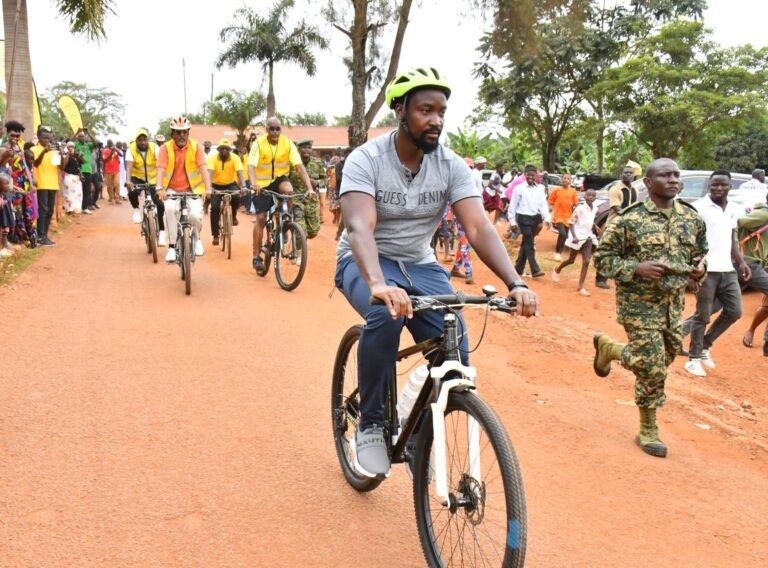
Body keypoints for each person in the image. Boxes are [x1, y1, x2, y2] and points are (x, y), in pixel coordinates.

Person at [334, 66, 540, 478]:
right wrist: (378, 284)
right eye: (425, 110)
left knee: (455, 352)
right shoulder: (367, 159)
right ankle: (372, 423)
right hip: (366, 260)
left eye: (442, 111)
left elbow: (478, 226)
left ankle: (416, 432)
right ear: (400, 110)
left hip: (421, 264)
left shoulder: (450, 166)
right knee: (386, 314)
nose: (436, 120)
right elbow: (360, 227)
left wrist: (515, 282)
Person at [592, 158, 707, 458]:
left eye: (676, 175)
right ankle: (648, 428)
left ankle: (610, 350)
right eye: (665, 175)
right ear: (649, 183)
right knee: (653, 366)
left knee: (663, 357)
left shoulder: (691, 218)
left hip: (673, 305)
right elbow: (602, 259)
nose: (673, 180)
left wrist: (699, 269)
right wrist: (637, 267)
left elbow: (700, 253)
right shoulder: (629, 220)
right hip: (638, 305)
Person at [684, 171, 750, 377]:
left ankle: (705, 345)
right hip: (705, 270)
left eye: (723, 185)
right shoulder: (699, 208)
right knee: (702, 315)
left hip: (727, 270)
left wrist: (741, 262)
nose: (718, 188)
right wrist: (689, 273)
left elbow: (731, 239)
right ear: (709, 186)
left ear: (730, 186)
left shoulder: (732, 209)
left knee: (735, 311)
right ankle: (693, 359)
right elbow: (687, 241)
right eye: (714, 185)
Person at [247, 117, 314, 270]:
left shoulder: (287, 143)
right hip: (261, 183)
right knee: (262, 218)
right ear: (266, 129)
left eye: (278, 129)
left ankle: (285, 221)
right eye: (272, 129)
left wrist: (309, 187)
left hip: (279, 179)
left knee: (288, 191)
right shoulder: (258, 144)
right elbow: (251, 166)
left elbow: (299, 166)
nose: (275, 132)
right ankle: (256, 256)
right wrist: (253, 183)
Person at [154, 117, 212, 262]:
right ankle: (172, 247)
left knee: (194, 215)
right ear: (172, 134)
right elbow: (160, 170)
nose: (181, 136)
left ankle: (197, 239)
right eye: (178, 133)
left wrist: (208, 189)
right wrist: (160, 188)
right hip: (172, 190)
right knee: (169, 210)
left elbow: (203, 168)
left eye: (184, 132)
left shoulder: (196, 147)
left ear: (188, 133)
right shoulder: (165, 148)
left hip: (193, 189)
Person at [596, 164, 639, 289]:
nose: (629, 175)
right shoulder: (615, 189)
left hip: (629, 225)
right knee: (607, 251)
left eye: (631, 173)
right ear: (621, 175)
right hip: (615, 224)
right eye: (626, 173)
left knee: (627, 252)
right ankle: (600, 279)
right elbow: (616, 207)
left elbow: (635, 206)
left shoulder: (634, 190)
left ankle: (623, 277)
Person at [552, 188, 598, 295]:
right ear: (585, 196)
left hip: (588, 237)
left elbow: (589, 220)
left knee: (586, 261)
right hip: (577, 236)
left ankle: (580, 287)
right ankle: (557, 269)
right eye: (589, 195)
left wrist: (595, 226)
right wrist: (574, 236)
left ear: (595, 198)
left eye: (593, 195)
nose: (591, 197)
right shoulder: (580, 209)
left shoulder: (595, 208)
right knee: (571, 260)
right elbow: (571, 223)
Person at [737, 194, 768, 354]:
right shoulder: (764, 214)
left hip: (759, 263)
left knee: (718, 306)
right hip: (748, 264)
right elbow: (736, 222)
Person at [508, 164, 551, 278]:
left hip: (535, 218)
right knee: (529, 243)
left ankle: (518, 268)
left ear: (536, 176)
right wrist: (512, 222)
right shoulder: (519, 188)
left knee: (526, 243)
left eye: (533, 175)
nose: (531, 177)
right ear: (525, 175)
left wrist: (547, 218)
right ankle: (535, 269)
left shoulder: (540, 188)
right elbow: (512, 206)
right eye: (529, 175)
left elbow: (543, 204)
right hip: (523, 218)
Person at [126, 127, 167, 246]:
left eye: (145, 139)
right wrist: (129, 181)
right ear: (136, 140)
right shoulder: (131, 149)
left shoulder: (154, 147)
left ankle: (162, 232)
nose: (142, 142)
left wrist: (161, 182)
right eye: (140, 140)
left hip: (153, 179)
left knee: (160, 204)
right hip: (137, 177)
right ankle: (136, 210)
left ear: (147, 140)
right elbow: (129, 166)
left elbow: (161, 164)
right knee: (132, 191)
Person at [1, 120, 38, 247]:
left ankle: (30, 237)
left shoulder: (19, 148)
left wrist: (30, 180)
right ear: (7, 134)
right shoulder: (4, 147)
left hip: (24, 183)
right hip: (11, 183)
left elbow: (25, 166)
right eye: (13, 135)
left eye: (17, 136)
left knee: (27, 209)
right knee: (15, 210)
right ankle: (17, 238)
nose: (15, 138)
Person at [207, 137, 244, 246]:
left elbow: (240, 172)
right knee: (214, 208)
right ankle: (215, 235)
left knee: (237, 197)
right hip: (216, 185)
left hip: (230, 184)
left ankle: (232, 217)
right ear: (218, 149)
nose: (224, 151)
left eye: (227, 149)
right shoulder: (212, 158)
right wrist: (209, 188)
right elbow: (209, 173)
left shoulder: (235, 158)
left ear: (230, 150)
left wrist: (244, 186)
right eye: (222, 148)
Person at [30, 126, 62, 247]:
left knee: (49, 210)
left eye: (49, 138)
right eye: (44, 138)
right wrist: (44, 152)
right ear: (38, 138)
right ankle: (40, 236)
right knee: (43, 210)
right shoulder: (34, 149)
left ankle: (45, 235)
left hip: (53, 184)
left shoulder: (53, 151)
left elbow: (60, 166)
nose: (47, 140)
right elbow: (36, 164)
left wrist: (62, 155)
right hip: (42, 183)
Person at [290, 138, 325, 239]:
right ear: (299, 149)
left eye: (309, 148)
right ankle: (298, 251)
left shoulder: (317, 163)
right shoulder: (292, 163)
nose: (307, 150)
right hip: (296, 199)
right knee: (300, 228)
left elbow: (325, 179)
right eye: (304, 148)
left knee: (313, 232)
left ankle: (300, 241)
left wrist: (318, 183)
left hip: (311, 200)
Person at [547, 173, 579, 261]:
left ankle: (558, 253)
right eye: (564, 178)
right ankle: (557, 252)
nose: (565, 180)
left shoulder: (573, 191)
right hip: (558, 216)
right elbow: (550, 202)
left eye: (568, 179)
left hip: (568, 217)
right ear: (562, 179)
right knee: (563, 234)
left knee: (564, 236)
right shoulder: (557, 190)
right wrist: (550, 213)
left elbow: (576, 203)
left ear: (570, 181)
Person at [73, 128, 95, 212]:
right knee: (78, 190)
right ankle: (77, 207)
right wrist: (76, 132)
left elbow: (95, 143)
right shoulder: (76, 145)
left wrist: (88, 132)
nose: (82, 138)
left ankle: (85, 207)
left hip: (88, 170)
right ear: (78, 138)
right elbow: (69, 143)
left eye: (83, 136)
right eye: (80, 136)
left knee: (87, 190)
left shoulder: (88, 145)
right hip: (78, 170)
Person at [61, 141, 84, 214]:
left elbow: (81, 164)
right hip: (69, 177)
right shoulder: (65, 155)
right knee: (69, 194)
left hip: (76, 177)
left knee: (78, 193)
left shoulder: (76, 155)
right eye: (69, 147)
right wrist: (68, 154)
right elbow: (64, 165)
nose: (71, 148)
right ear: (67, 148)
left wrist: (81, 157)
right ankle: (69, 209)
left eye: (72, 147)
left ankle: (76, 209)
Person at [102, 140, 122, 204]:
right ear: (107, 144)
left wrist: (115, 149)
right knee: (109, 185)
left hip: (116, 170)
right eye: (109, 143)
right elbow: (104, 160)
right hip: (108, 171)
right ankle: (111, 198)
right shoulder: (105, 151)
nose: (110, 144)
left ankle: (117, 198)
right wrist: (111, 154)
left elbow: (121, 155)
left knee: (117, 184)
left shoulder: (116, 150)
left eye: (111, 143)